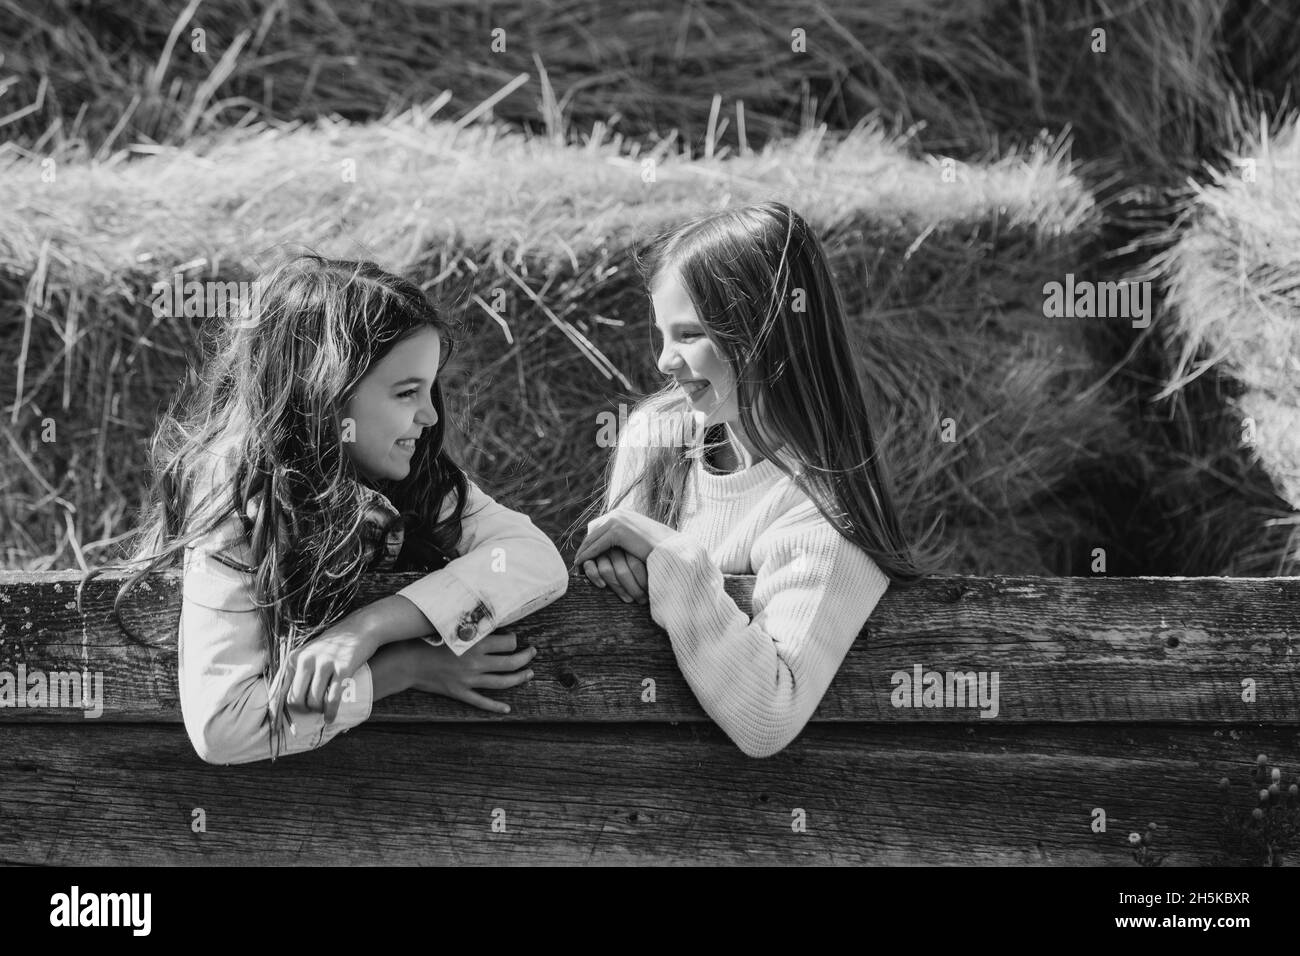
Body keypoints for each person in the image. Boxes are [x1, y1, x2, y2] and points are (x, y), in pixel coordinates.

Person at [86, 254, 568, 764]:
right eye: (407, 392)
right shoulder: (239, 495)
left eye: (429, 389)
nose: (429, 415)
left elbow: (537, 559)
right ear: (325, 393)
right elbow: (224, 726)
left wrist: (372, 627)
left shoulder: (418, 476)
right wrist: (401, 671)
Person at [574, 201, 949, 758]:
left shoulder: (820, 511)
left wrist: (670, 556)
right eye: (662, 334)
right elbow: (617, 595)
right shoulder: (654, 438)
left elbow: (770, 715)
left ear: (765, 333)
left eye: (689, 335)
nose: (663, 363)